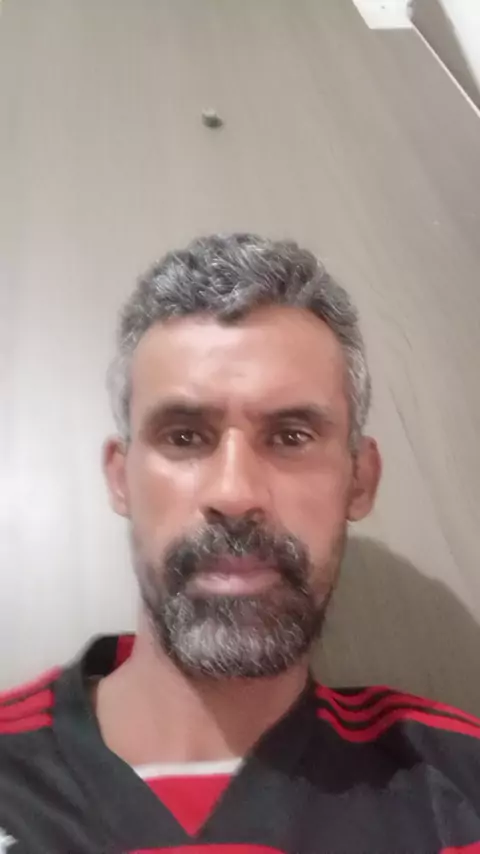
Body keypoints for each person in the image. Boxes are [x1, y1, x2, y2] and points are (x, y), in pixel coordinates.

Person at [1, 233, 479, 854]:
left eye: (291, 435)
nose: (234, 493)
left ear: (360, 480)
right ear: (120, 479)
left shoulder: (459, 788)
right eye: (183, 436)